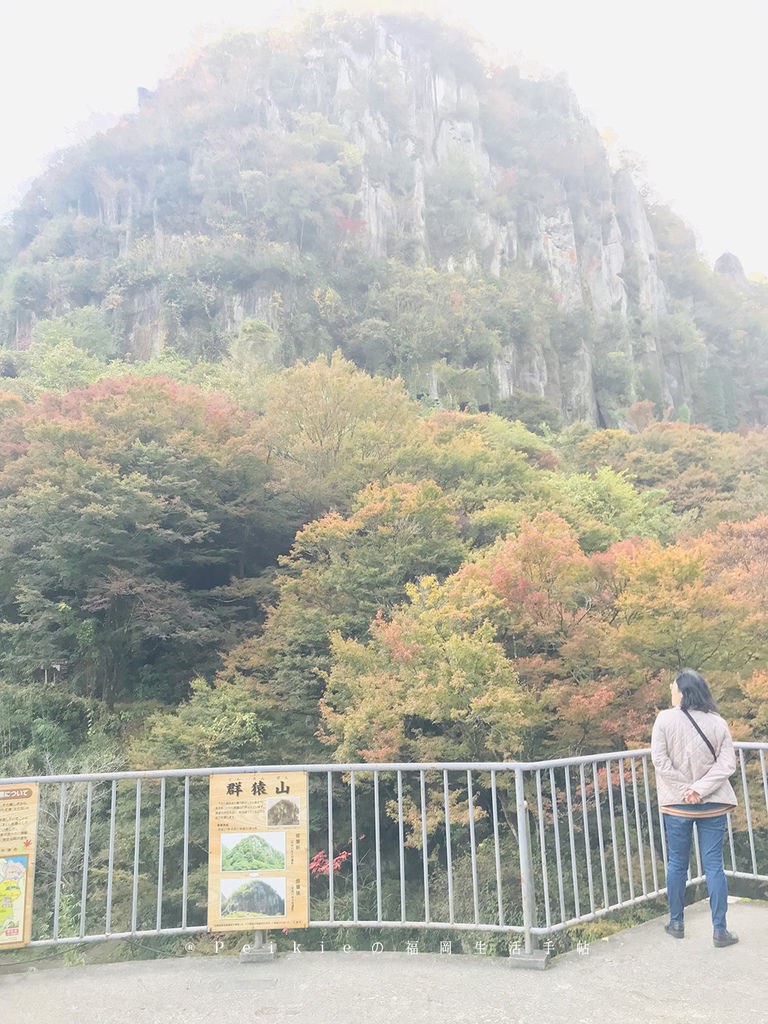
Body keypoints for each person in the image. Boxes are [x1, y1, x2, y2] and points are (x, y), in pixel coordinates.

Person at [650, 668, 739, 947]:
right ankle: (720, 930)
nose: (670, 691)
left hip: (677, 805)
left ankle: (676, 922)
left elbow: (659, 761)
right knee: (714, 865)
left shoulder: (664, 720)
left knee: (677, 863)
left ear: (683, 692)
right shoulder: (718, 722)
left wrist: (686, 789)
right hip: (711, 803)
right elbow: (727, 765)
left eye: (673, 688)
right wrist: (700, 790)